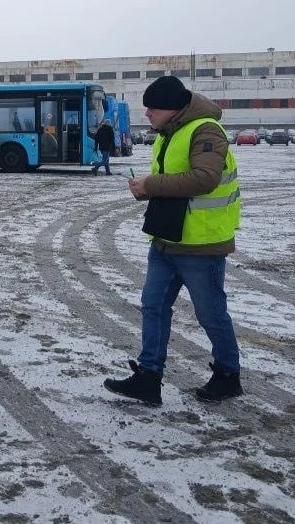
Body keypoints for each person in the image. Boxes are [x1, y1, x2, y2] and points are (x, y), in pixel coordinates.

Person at [103, 75, 242, 407]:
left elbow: (205, 179)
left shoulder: (206, 130)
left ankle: (228, 374)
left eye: (152, 108)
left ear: (173, 108)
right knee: (153, 306)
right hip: (166, 239)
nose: (147, 114)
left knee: (210, 313)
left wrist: (151, 185)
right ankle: (149, 377)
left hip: (201, 245)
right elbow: (172, 181)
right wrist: (145, 189)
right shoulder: (169, 133)